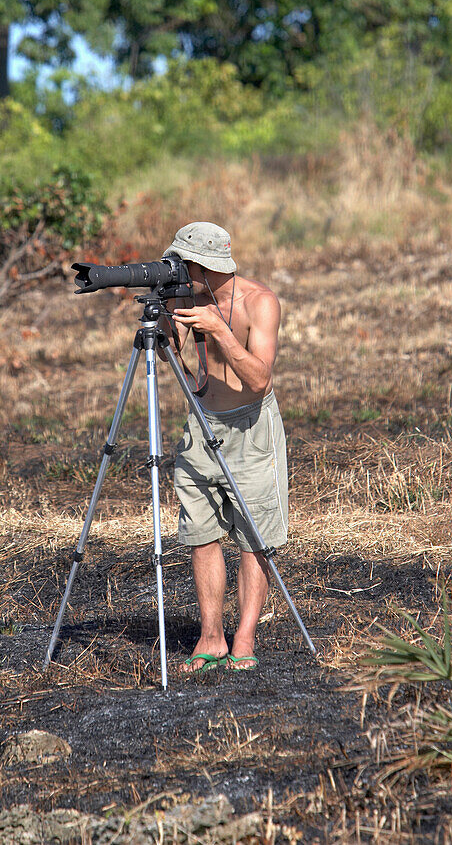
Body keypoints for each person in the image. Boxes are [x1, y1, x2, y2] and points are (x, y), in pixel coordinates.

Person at [163, 221, 288, 674]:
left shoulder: (261, 303)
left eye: (184, 262)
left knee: (255, 539)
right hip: (200, 424)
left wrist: (219, 329)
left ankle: (245, 637)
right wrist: (166, 322)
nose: (176, 268)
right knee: (201, 533)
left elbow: (259, 380)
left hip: (251, 429)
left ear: (206, 265)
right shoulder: (182, 296)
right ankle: (211, 636)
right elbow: (172, 360)